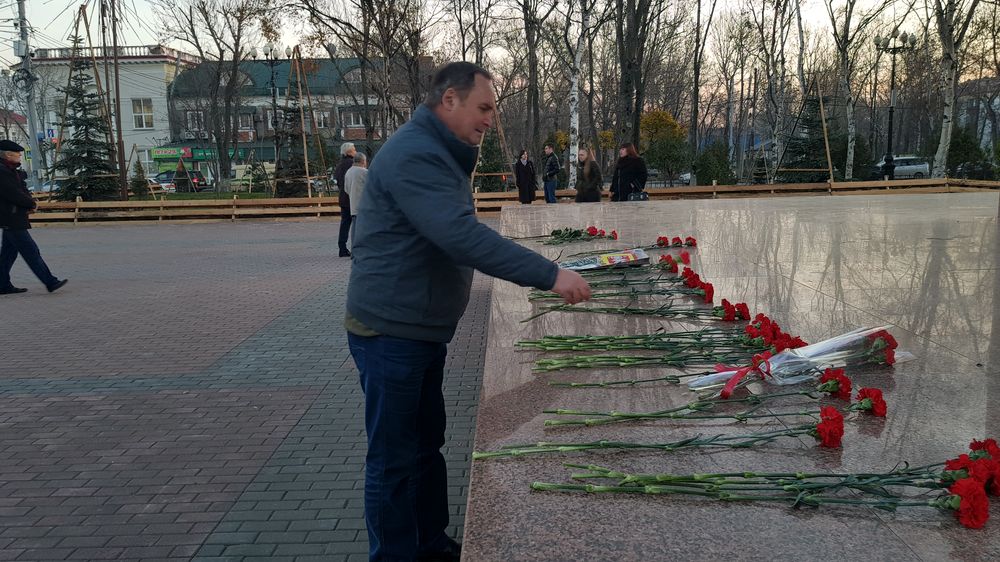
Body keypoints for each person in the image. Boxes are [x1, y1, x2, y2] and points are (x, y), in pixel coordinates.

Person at [345, 62, 591, 562]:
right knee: (393, 461)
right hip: (390, 334)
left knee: (424, 447)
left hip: (416, 330)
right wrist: (549, 274)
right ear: (449, 100)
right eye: (483, 108)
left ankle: (431, 544)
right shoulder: (417, 153)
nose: (489, 119)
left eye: (492, 110)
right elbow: (460, 235)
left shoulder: (438, 150)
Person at [0, 140, 67, 295]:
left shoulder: (10, 170)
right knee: (31, 251)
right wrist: (30, 204)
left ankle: (2, 284)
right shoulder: (2, 172)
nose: (20, 156)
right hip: (11, 217)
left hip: (12, 217)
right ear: (8, 155)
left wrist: (30, 202)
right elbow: (13, 194)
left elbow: (21, 190)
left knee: (8, 254)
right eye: (17, 154)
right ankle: (50, 282)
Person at [335, 142, 357, 257]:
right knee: (356, 223)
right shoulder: (352, 164)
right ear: (349, 152)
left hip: (343, 197)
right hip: (351, 198)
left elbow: (338, 181)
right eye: (354, 149)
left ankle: (342, 247)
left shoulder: (340, 164)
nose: (356, 151)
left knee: (345, 223)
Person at [343, 152, 368, 241]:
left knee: (355, 228)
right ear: (363, 161)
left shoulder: (348, 172)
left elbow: (346, 189)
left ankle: (354, 246)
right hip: (365, 206)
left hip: (353, 205)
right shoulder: (364, 172)